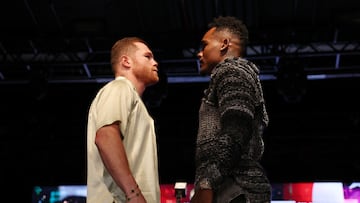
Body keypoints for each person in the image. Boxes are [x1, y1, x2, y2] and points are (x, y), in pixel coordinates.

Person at [191, 16, 272, 203]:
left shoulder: (232, 71)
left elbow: (237, 129)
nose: (199, 53)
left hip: (235, 189)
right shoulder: (230, 75)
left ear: (224, 44)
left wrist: (207, 183)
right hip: (231, 188)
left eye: (204, 45)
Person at [86, 37, 161, 203]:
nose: (155, 63)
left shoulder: (130, 96)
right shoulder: (119, 87)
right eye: (147, 57)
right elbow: (105, 137)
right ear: (126, 61)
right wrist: (133, 194)